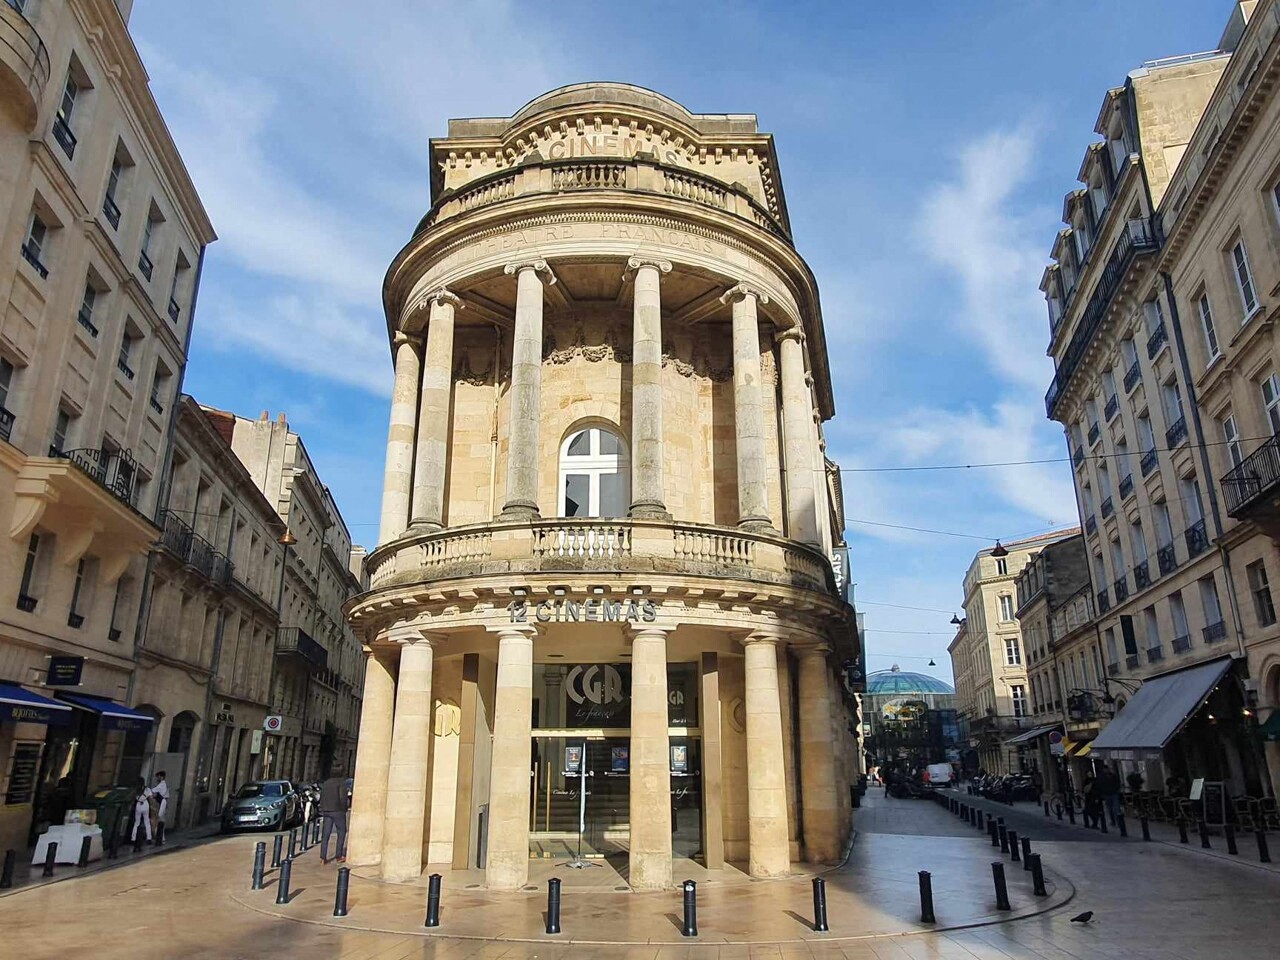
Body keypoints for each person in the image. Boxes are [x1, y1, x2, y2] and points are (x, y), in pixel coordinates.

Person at [319, 768, 350, 864]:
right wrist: (344, 808)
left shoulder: (326, 783)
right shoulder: (341, 783)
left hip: (327, 810)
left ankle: (323, 857)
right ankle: (339, 855)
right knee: (341, 832)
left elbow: (322, 796)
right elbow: (342, 797)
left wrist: (323, 808)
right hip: (338, 810)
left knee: (325, 834)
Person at [130, 778, 153, 845]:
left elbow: (132, 798)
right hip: (145, 804)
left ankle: (133, 838)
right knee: (147, 822)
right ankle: (149, 838)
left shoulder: (136, 790)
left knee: (137, 823)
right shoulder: (147, 789)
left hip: (138, 805)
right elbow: (151, 798)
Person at [151, 771, 169, 844]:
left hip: (162, 804)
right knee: (160, 821)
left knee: (159, 821)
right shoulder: (163, 785)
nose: (157, 778)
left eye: (158, 777)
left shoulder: (162, 785)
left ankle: (160, 839)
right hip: (162, 803)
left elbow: (152, 791)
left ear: (161, 777)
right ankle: (160, 838)